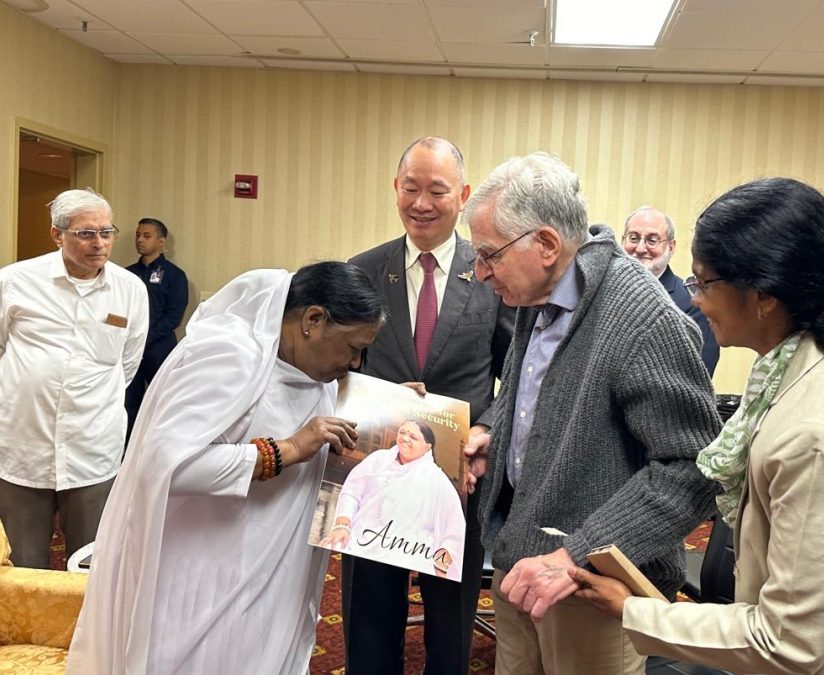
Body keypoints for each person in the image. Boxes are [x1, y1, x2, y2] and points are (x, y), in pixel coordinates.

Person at [571, 177, 824, 674]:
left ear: (762, 295)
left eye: (704, 282)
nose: (695, 299)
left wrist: (635, 610)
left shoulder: (817, 434)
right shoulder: (804, 368)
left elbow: (785, 641)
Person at [463, 152, 721, 675]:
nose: (480, 271)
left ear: (547, 245)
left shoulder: (641, 317)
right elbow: (528, 389)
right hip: (523, 562)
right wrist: (495, 429)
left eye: (489, 254)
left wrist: (575, 556)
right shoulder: (537, 291)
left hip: (589, 587)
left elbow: (693, 468)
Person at [66, 262, 385, 674]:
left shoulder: (313, 371)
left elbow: (317, 417)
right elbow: (165, 465)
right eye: (352, 347)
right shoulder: (231, 355)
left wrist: (394, 408)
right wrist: (285, 450)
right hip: (209, 572)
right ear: (313, 320)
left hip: (276, 569)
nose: (357, 362)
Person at [344, 137, 513, 674]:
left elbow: (520, 376)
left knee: (449, 622)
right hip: (378, 470)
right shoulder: (362, 270)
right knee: (369, 611)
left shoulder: (491, 273)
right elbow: (339, 367)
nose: (421, 203)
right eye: (410, 189)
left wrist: (486, 428)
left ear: (462, 195)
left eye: (436, 191)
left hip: (457, 477)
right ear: (396, 189)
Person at [0, 188, 148, 568]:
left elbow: (127, 364)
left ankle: (87, 632)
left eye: (107, 232)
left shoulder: (130, 290)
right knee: (19, 565)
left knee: (91, 565)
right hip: (22, 446)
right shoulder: (15, 280)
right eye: (86, 233)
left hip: (92, 449)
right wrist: (32, 385)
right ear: (58, 235)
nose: (100, 243)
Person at [321, 420, 467, 581]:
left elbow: (454, 530)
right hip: (361, 540)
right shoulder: (378, 460)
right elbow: (351, 492)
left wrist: (439, 563)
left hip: (410, 553)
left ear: (427, 447)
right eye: (402, 432)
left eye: (413, 436)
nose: (404, 438)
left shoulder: (438, 481)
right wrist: (342, 524)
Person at [621, 206, 719, 374]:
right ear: (623, 241)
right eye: (633, 238)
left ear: (671, 247)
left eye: (652, 240)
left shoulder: (693, 303)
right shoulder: (604, 293)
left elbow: (699, 372)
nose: (640, 248)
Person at [124, 217, 189, 442]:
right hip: (129, 350)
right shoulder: (126, 275)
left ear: (161, 241)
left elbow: (173, 317)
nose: (140, 240)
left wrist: (145, 338)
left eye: (147, 236)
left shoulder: (174, 275)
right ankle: (125, 455)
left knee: (163, 403)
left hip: (159, 349)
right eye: (138, 235)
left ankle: (160, 449)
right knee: (128, 405)